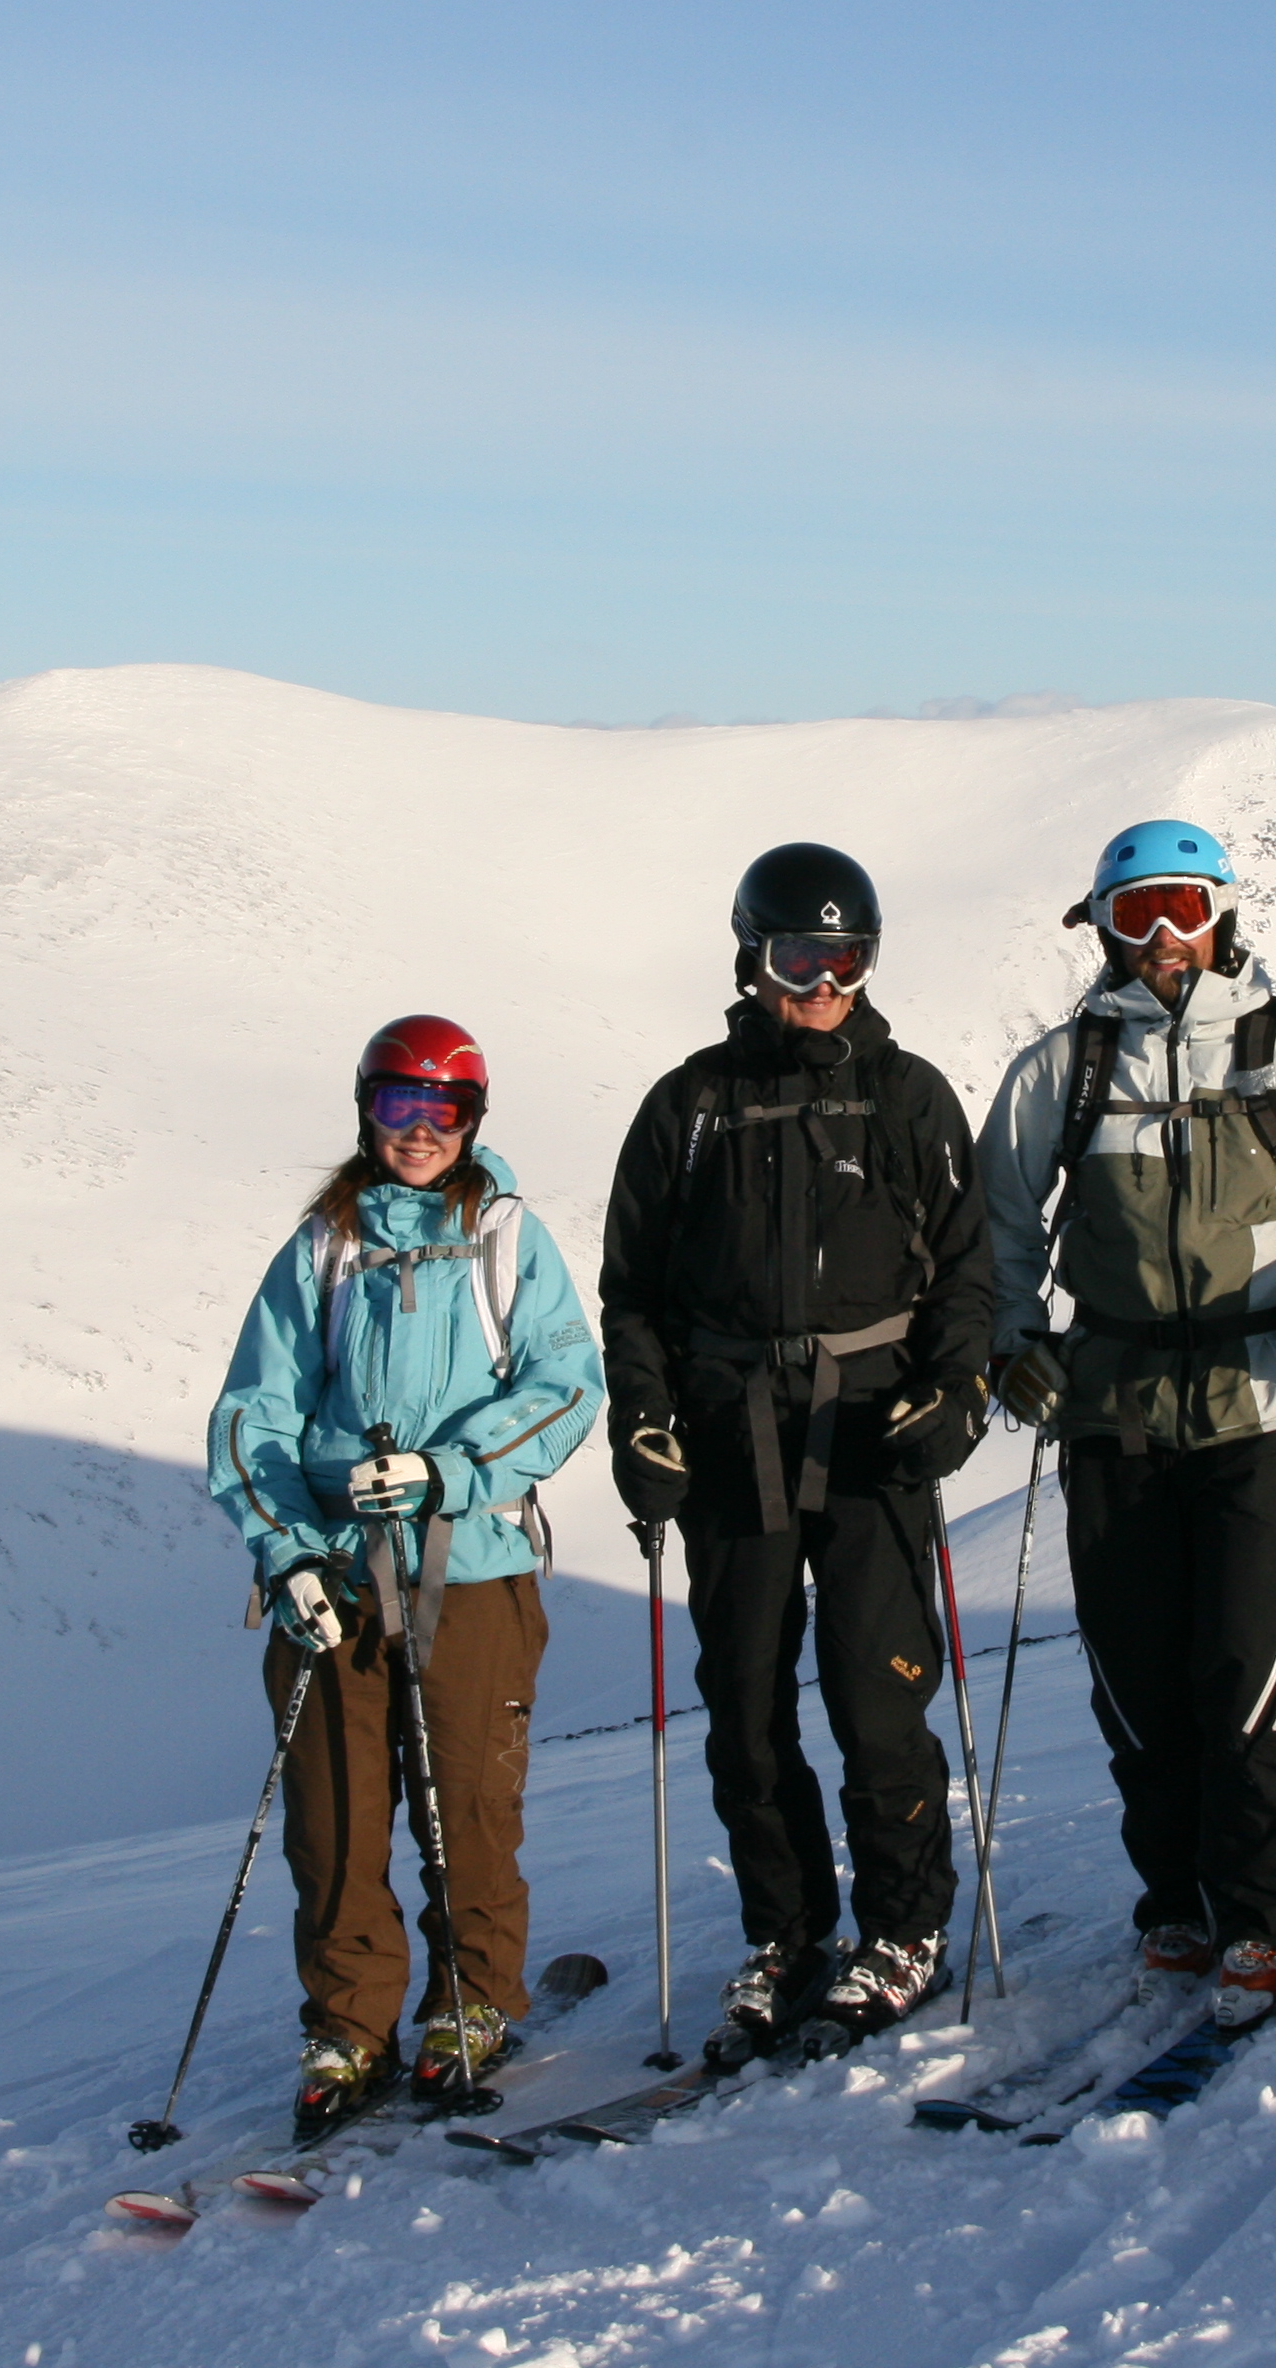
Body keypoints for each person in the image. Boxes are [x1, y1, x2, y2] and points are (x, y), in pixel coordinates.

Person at [597, 844, 998, 2063]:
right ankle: (787, 1936)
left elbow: (966, 1269)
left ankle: (902, 1931)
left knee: (882, 1700)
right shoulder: (689, 1107)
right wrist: (645, 1421)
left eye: (847, 957)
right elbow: (634, 1293)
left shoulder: (909, 1097)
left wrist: (957, 1389)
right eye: (800, 956)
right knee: (749, 1713)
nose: (825, 982)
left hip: (875, 1434)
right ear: (751, 957)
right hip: (730, 1437)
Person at [978, 820, 1276, 2025]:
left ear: (1224, 916)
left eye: (1184, 908)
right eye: (1136, 912)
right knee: (1139, 1674)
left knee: (1252, 1669)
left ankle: (1271, 1915)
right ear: (1101, 927)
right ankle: (1181, 1901)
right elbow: (1001, 1221)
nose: (1162, 938)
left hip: (1267, 1399)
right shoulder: (1063, 1069)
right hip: (1113, 1404)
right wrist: (1013, 1339)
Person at [206, 1015, 607, 2137]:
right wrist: (282, 1546)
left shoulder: (506, 1239)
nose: (418, 1130)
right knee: (333, 1816)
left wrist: (446, 1470)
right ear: (364, 1110)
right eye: (396, 1105)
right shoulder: (322, 1248)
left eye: (442, 1110)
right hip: (333, 1573)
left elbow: (568, 1383)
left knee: (467, 1803)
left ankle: (472, 2001)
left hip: (469, 1568)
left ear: (473, 1121)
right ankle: (350, 2024)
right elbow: (255, 1413)